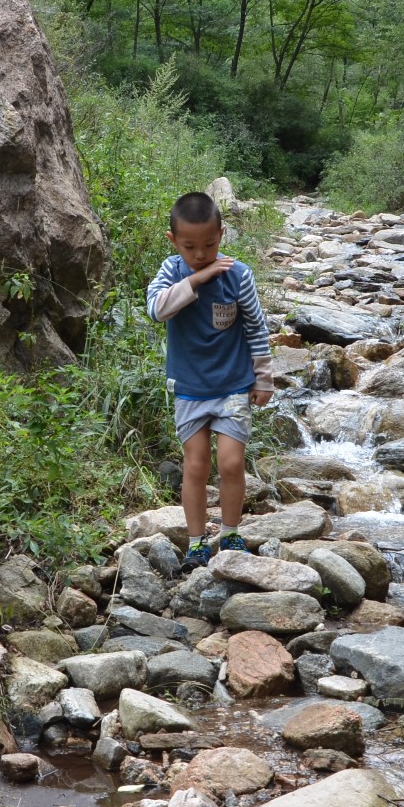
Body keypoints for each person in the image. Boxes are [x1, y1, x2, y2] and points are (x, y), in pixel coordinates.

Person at [145, 190, 272, 570]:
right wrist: (198, 278)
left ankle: (231, 533)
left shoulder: (239, 275)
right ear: (173, 241)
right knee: (196, 465)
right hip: (190, 388)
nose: (200, 253)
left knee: (231, 464)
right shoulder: (172, 271)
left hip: (233, 383)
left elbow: (256, 327)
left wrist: (263, 378)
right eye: (190, 246)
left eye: (209, 245)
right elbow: (157, 309)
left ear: (222, 233)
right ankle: (198, 542)